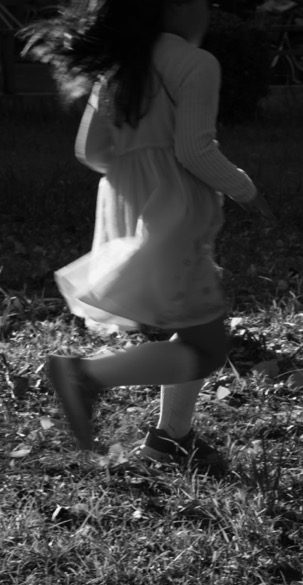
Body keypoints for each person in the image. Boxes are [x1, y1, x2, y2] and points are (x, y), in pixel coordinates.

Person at [20, 0, 272, 467]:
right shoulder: (195, 62)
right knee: (206, 346)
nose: (207, 13)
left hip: (141, 211)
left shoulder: (120, 68)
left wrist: (138, 171)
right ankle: (84, 376)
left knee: (195, 326)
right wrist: (245, 189)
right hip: (178, 211)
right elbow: (195, 149)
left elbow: (92, 151)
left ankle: (171, 438)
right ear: (176, 7)